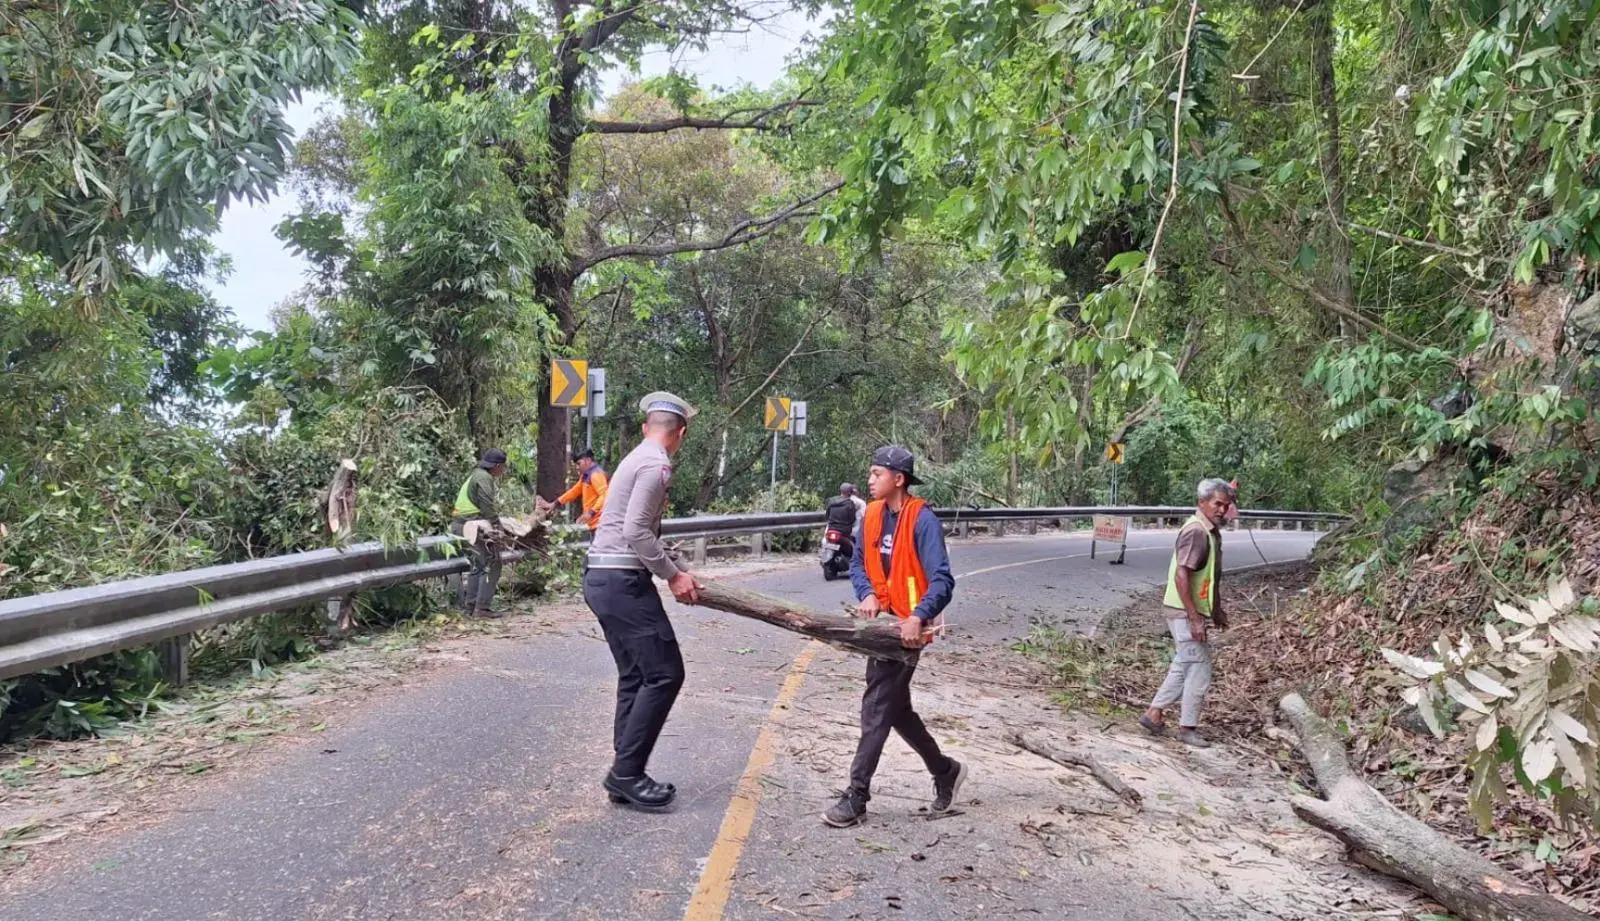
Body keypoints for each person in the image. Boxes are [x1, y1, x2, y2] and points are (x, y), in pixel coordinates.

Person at [825, 445, 966, 828]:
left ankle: (857, 795)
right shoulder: (870, 515)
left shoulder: (923, 520)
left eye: (876, 474)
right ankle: (945, 770)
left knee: (876, 705)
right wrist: (866, 593)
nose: (869, 481)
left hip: (908, 632)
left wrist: (919, 616)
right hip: (881, 626)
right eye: (870, 474)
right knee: (895, 709)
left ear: (898, 479)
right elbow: (857, 563)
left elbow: (943, 578)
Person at [582, 391, 703, 811]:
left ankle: (624, 773)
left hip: (601, 577)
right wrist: (672, 576)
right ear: (680, 434)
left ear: (644, 427)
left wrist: (675, 564)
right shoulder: (657, 464)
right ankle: (627, 773)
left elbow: (635, 529)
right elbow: (635, 531)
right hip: (622, 581)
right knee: (666, 673)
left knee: (636, 674)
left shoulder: (635, 457)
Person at [1139, 477, 1235, 748]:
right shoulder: (1197, 532)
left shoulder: (1208, 530)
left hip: (1185, 611)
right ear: (1201, 502)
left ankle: (1154, 713)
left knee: (1185, 663)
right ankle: (1187, 727)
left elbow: (1205, 577)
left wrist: (1215, 612)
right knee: (1200, 667)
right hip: (1183, 613)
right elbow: (1183, 574)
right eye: (1217, 504)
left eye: (1225, 506)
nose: (1221, 510)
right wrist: (1194, 618)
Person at [450, 448, 510, 618]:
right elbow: (487, 506)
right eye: (503, 467)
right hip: (470, 526)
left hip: (460, 524)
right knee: (493, 562)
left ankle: (471, 607)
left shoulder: (476, 474)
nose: (503, 471)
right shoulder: (484, 478)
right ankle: (482, 607)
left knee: (478, 565)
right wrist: (497, 526)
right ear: (497, 466)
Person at [541, 447, 609, 530]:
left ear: (587, 461)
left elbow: (605, 495)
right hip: (594, 525)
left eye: (578, 463)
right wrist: (555, 504)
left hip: (601, 525)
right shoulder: (585, 476)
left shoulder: (596, 475)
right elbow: (573, 492)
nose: (577, 467)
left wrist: (591, 513)